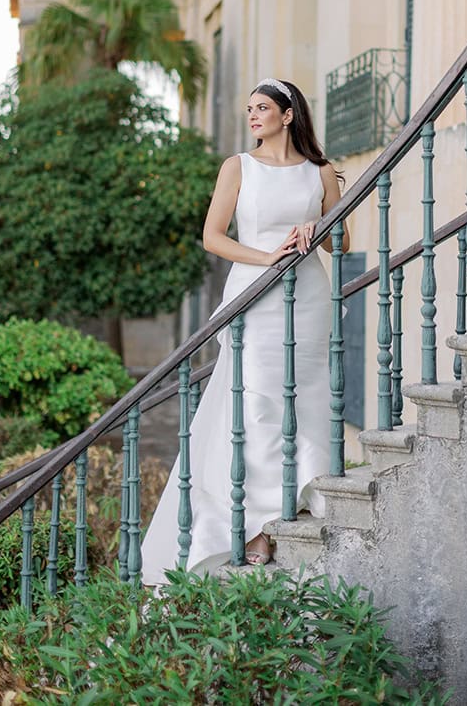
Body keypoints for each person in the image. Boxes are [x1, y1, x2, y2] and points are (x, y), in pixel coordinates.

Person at [141, 78, 350, 580]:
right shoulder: (237, 166)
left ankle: (298, 497)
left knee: (304, 396)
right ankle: (256, 522)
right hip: (254, 295)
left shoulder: (321, 172)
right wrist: (267, 257)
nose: (252, 115)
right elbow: (212, 237)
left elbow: (341, 244)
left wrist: (319, 227)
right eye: (249, 109)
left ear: (287, 114)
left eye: (262, 108)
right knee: (255, 401)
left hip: (308, 298)